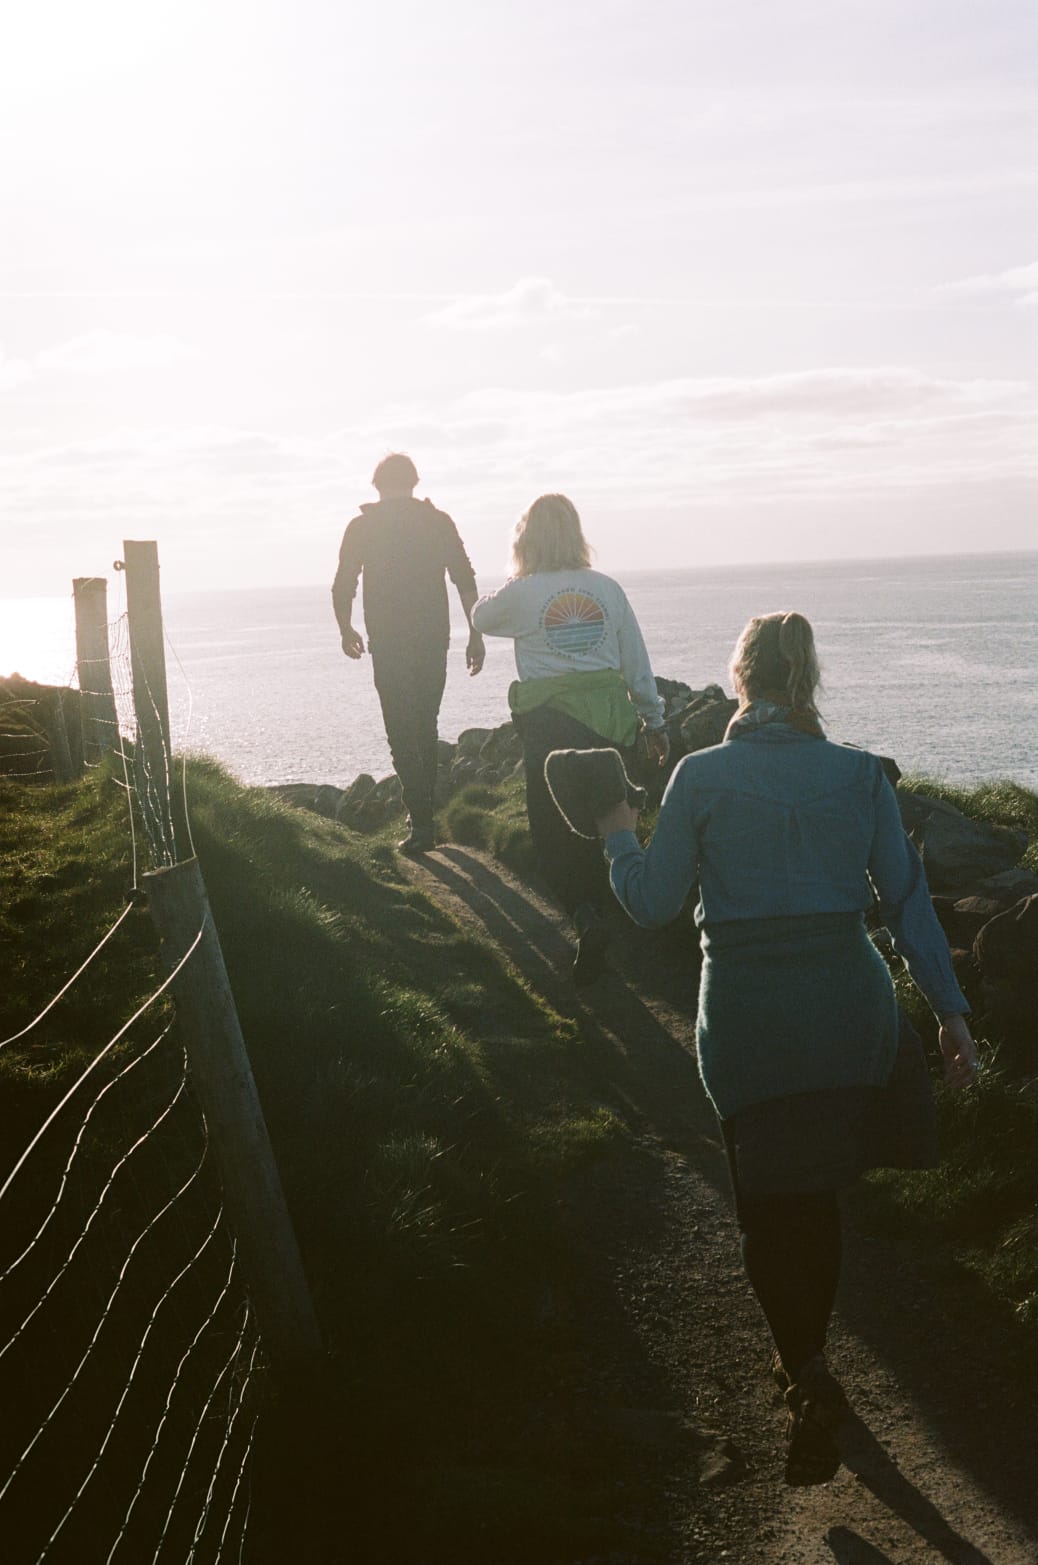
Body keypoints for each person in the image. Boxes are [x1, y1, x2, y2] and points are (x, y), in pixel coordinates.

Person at [594, 610, 978, 1485]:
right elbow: (909, 906)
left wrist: (617, 827)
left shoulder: (699, 775)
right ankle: (807, 1371)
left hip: (751, 1020)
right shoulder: (855, 774)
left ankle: (805, 1371)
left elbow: (652, 902)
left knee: (769, 1210)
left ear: (741, 678)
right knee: (819, 1199)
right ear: (810, 680)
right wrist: (952, 1016)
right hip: (849, 1013)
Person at [472, 493, 669, 982]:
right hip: (610, 720)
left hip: (551, 728)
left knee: (553, 834)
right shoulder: (607, 589)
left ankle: (586, 917)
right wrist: (654, 722)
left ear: (527, 539)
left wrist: (520, 578)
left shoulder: (522, 592)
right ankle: (621, 913)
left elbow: (480, 616)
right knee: (610, 823)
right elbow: (636, 662)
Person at [332, 453, 485, 855]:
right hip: (433, 638)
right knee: (424, 724)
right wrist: (475, 634)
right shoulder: (438, 522)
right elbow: (465, 578)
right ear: (415, 482)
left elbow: (343, 582)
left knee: (401, 729)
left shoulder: (362, 527)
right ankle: (423, 819)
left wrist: (345, 628)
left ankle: (420, 822)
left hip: (389, 641)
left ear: (377, 485)